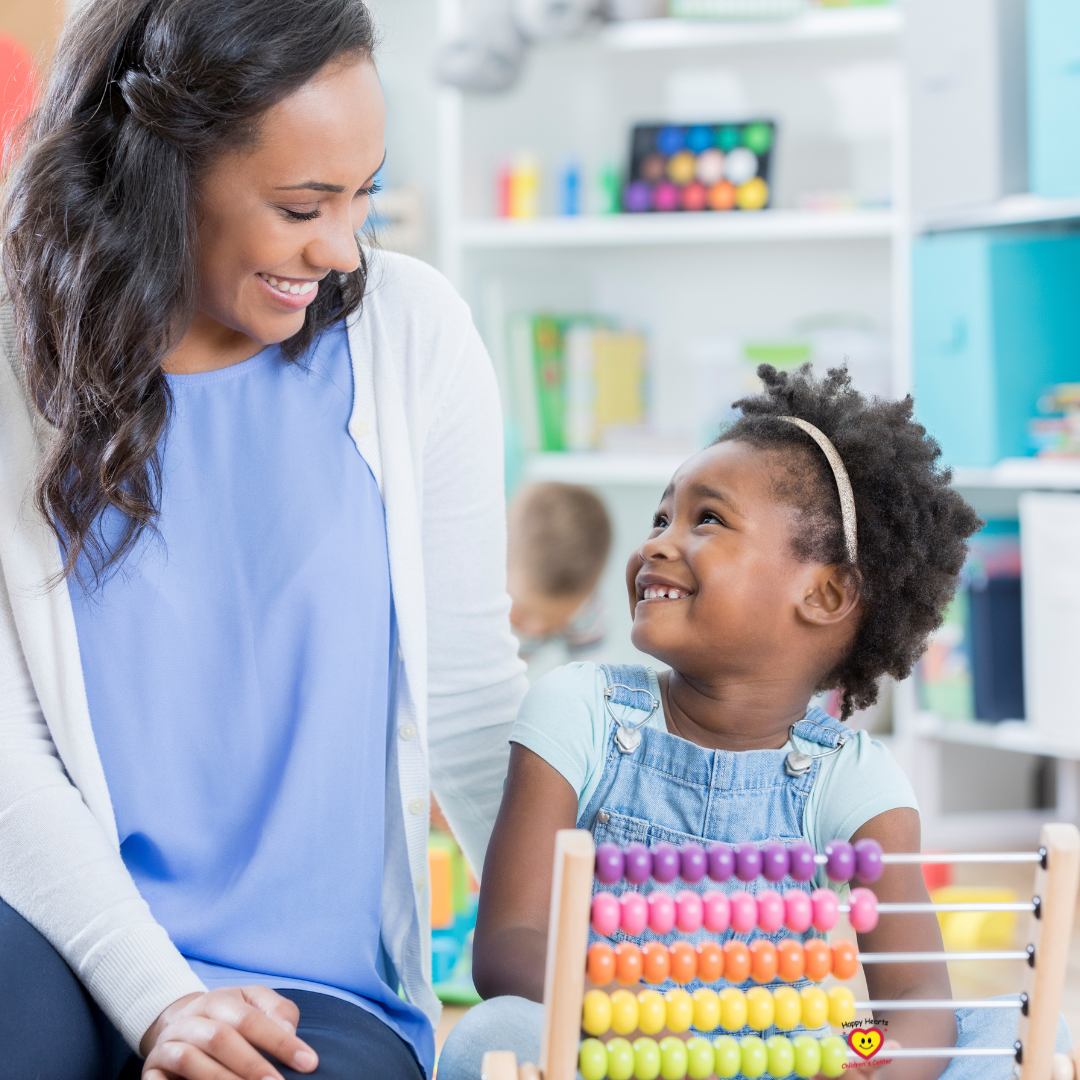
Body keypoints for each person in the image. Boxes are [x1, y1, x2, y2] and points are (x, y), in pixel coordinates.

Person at [0, 2, 526, 1078]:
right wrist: (159, 1001)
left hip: (309, 985)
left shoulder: (414, 338)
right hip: (53, 934)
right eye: (300, 205)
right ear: (162, 174)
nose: (340, 250)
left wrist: (593, 966)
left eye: (362, 195)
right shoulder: (18, 361)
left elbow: (473, 704)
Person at [438, 365, 1073, 1079]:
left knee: (1020, 1036)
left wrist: (875, 1059)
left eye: (706, 519)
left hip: (784, 1064)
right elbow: (508, 943)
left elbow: (915, 995)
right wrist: (630, 1011)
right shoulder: (580, 709)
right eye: (659, 518)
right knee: (489, 1037)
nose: (656, 543)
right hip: (613, 1052)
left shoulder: (852, 778)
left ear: (826, 593)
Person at [507, 482, 612, 681]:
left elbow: (592, 679)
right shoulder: (478, 591)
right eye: (522, 612)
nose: (534, 629)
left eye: (556, 622)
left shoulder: (584, 607)